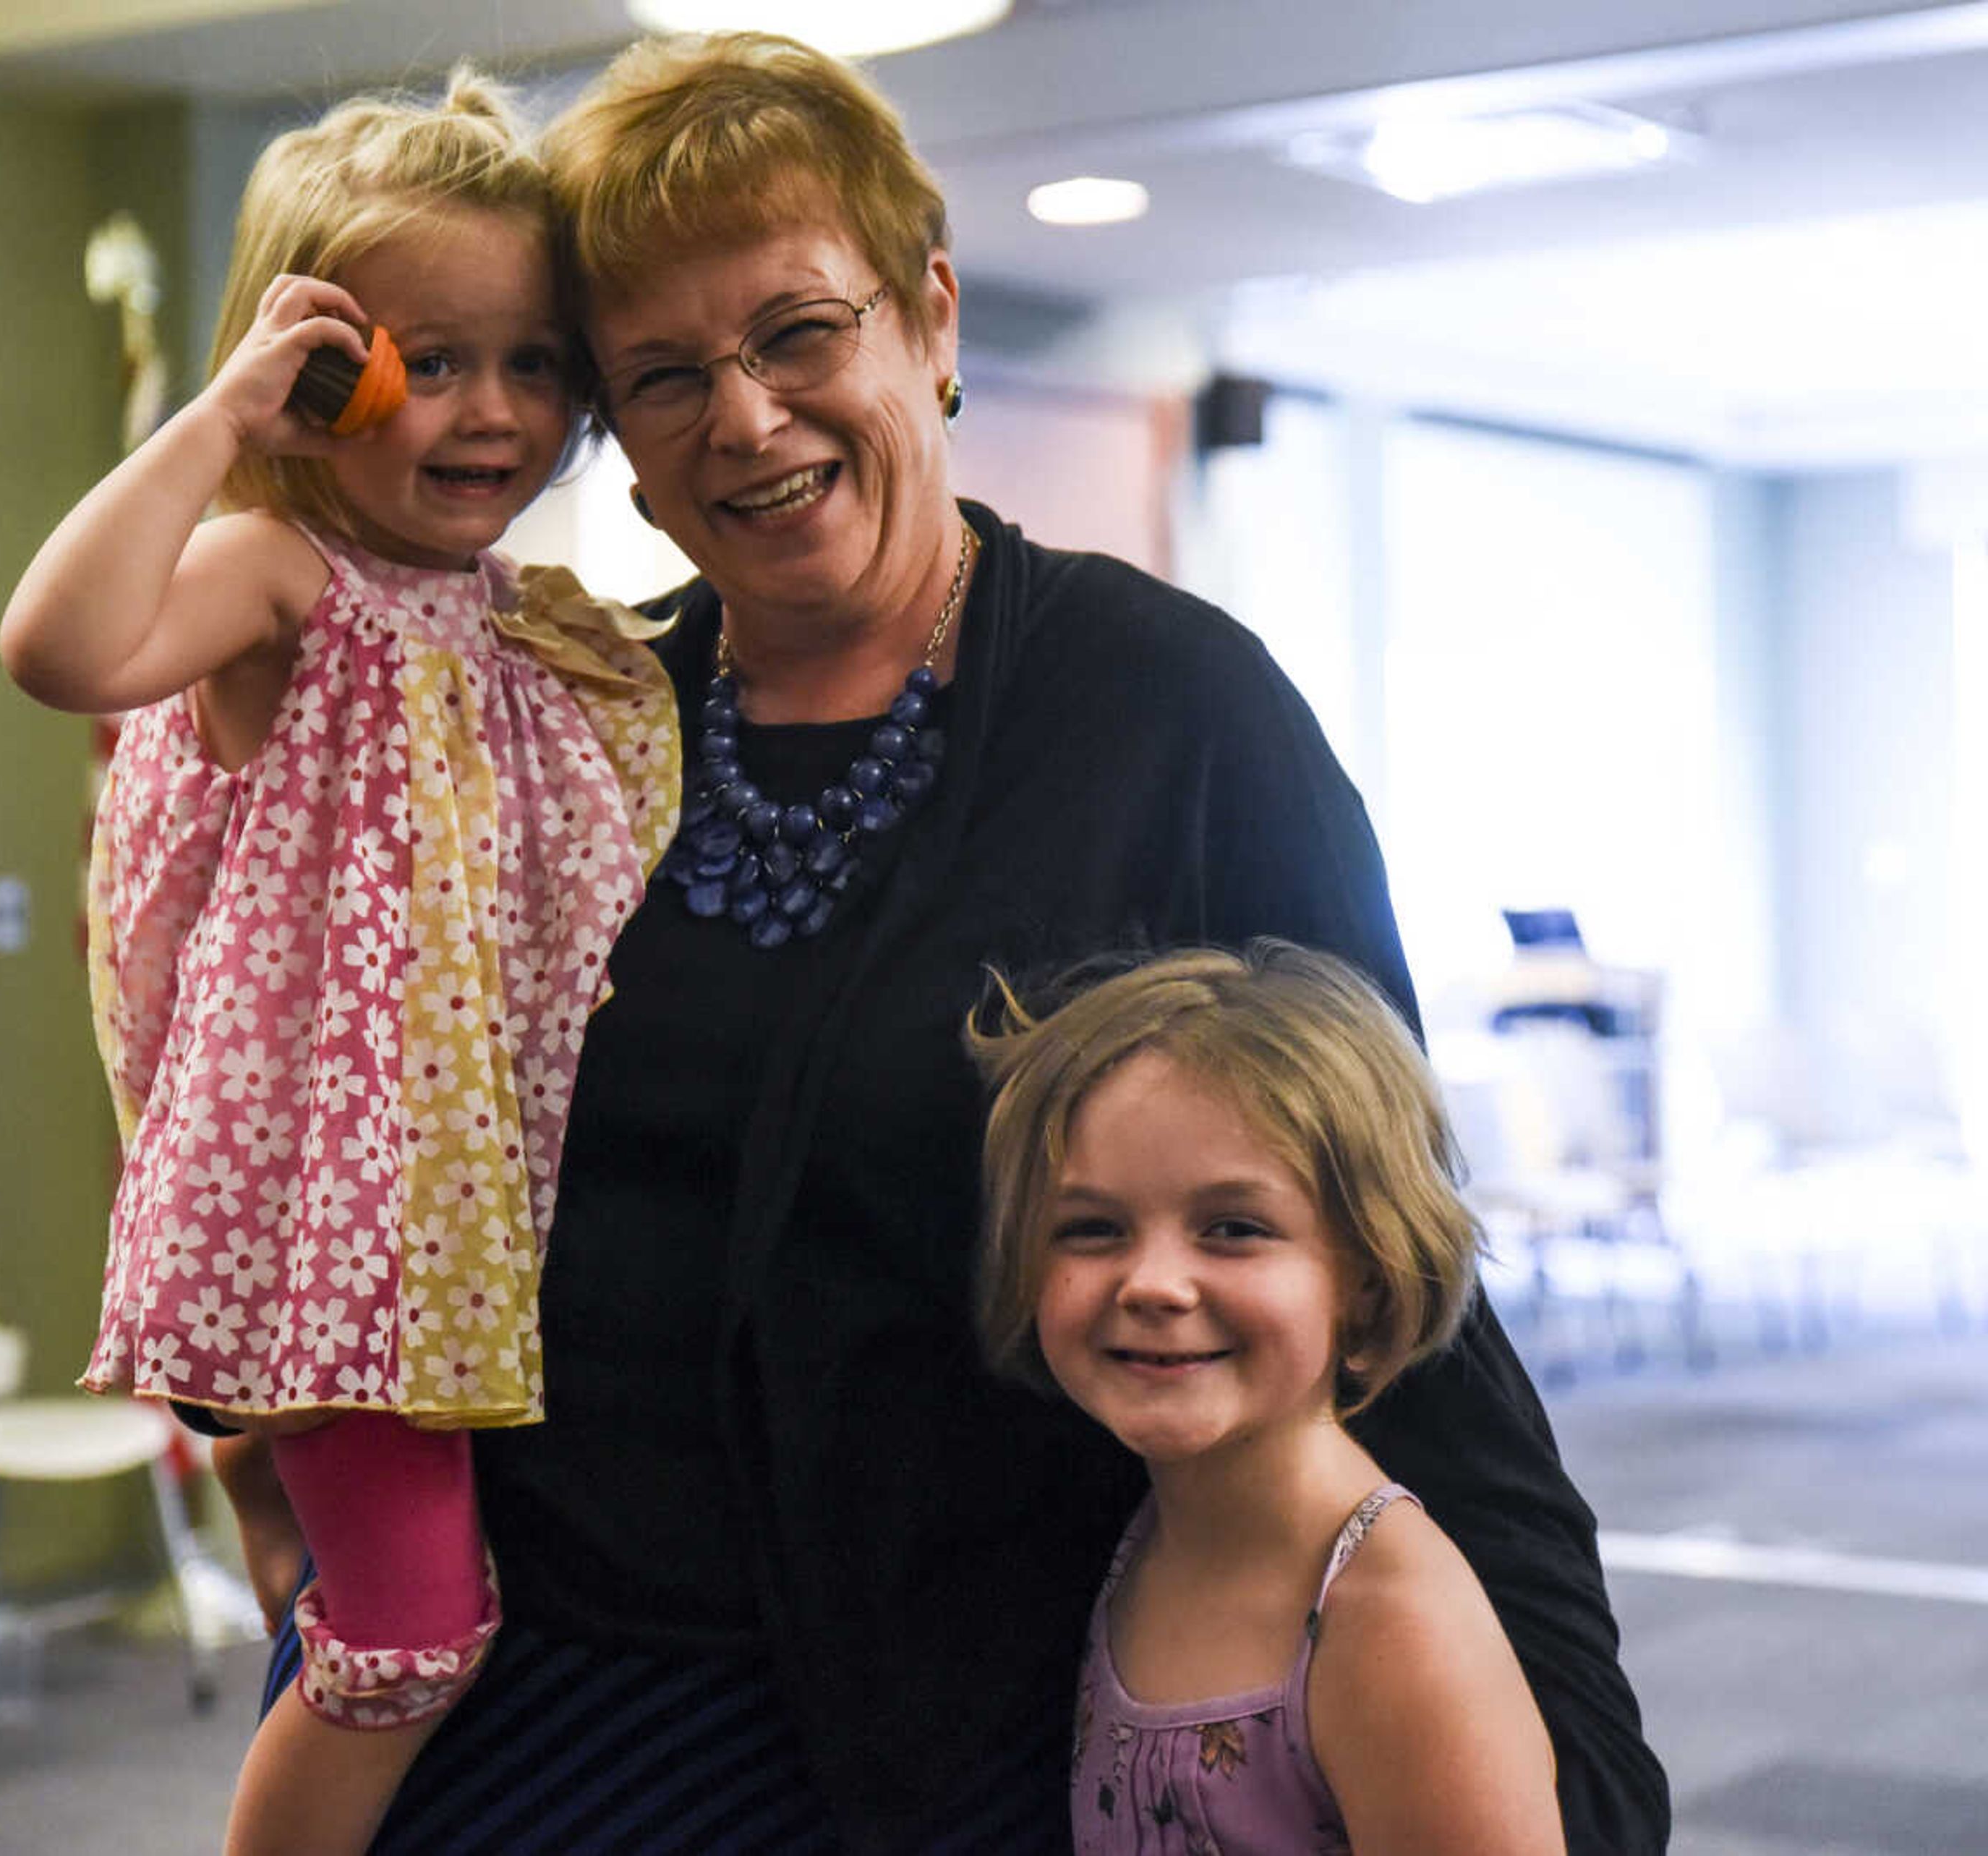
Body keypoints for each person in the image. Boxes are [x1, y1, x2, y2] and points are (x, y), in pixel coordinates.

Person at [216, 30, 1670, 1855]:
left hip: (950, 1716)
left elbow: (1383, 1259)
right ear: (615, 441)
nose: (741, 418)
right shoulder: (553, 709)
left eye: (797, 332)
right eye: (661, 374)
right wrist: (258, 1440)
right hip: (530, 1683)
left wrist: (1573, 1759)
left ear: (930, 318)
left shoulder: (1166, 711)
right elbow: (316, 1071)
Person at [0, 69, 678, 1856]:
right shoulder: (276, 571)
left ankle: (266, 1511)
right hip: (342, 1236)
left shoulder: (523, 625)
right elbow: (58, 649)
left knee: (362, 1604)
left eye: (534, 363)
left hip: (455, 1223)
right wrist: (221, 422)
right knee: (408, 1637)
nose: (491, 409)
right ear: (320, 379)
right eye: (425, 360)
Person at [970, 942, 1567, 1855]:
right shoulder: (1144, 1542)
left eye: (1235, 1229)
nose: (1154, 1282)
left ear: (1366, 1277)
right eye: (1093, 1228)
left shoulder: (1392, 1625)